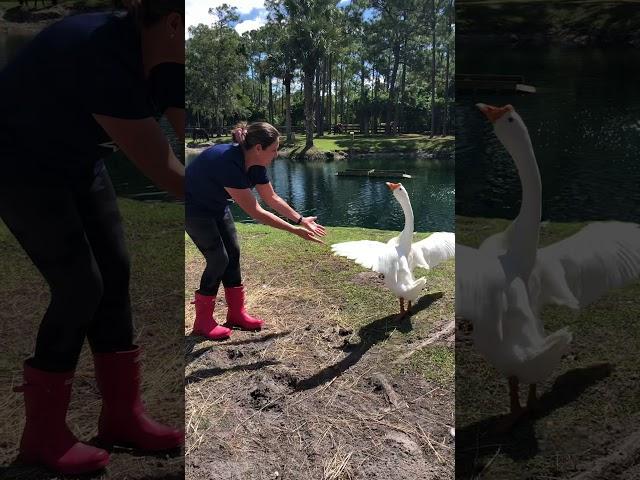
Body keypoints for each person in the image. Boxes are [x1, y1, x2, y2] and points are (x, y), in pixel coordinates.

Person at [0, 0, 184, 475]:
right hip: (16, 160)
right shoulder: (103, 54)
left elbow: (189, 137)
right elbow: (168, 172)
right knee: (80, 285)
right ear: (174, 23)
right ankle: (42, 438)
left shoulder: (165, 57)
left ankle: (123, 417)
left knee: (115, 270)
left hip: (77, 157)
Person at [185, 122, 326, 340]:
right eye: (274, 149)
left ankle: (236, 314)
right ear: (258, 148)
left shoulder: (257, 164)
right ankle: (202, 322)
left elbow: (272, 198)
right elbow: (257, 212)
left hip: (216, 204)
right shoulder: (228, 163)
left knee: (233, 253)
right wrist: (293, 230)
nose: (276, 155)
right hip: (192, 208)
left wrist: (301, 219)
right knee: (218, 259)